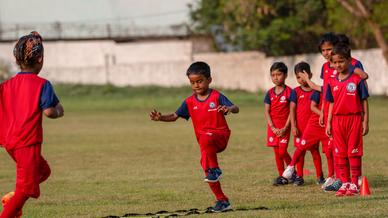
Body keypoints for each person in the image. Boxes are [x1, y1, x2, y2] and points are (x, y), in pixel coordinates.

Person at [149, 61, 239, 212]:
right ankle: (222, 200)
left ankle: (215, 169)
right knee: (206, 170)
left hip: (220, 136)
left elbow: (236, 108)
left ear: (209, 80)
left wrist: (228, 108)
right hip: (205, 144)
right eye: (192, 82)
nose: (196, 85)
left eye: (199, 81)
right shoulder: (189, 102)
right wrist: (161, 118)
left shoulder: (216, 96)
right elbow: (174, 116)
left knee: (207, 141)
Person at [0, 31, 64, 217]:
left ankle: (13, 201)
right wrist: (59, 111)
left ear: (17, 60)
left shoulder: (7, 85)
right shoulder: (42, 84)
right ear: (40, 59)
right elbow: (50, 111)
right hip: (27, 143)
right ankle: (11, 208)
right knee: (25, 189)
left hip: (10, 143)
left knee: (43, 171)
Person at [325, 43, 369, 196]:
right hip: (337, 121)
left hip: (354, 119)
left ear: (349, 61)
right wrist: (329, 122)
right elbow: (331, 103)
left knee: (353, 152)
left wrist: (365, 121)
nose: (338, 64)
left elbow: (364, 101)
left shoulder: (357, 80)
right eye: (335, 62)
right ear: (331, 63)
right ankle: (345, 183)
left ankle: (355, 183)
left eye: (341, 61)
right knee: (340, 153)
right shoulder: (332, 81)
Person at [286, 62, 324, 186]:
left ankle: (320, 176)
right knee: (300, 152)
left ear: (310, 75)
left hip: (313, 128)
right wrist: (294, 126)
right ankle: (299, 176)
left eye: (303, 76)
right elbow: (292, 109)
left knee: (315, 152)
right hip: (300, 128)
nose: (301, 80)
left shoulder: (317, 91)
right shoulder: (295, 92)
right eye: (298, 77)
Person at [264, 62, 293, 186]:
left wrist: (285, 127)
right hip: (273, 127)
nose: (275, 77)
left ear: (285, 75)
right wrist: (273, 127)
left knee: (282, 151)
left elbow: (292, 111)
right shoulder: (269, 93)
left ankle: (292, 169)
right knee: (277, 153)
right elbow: (267, 111)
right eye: (273, 75)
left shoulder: (290, 92)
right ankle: (282, 176)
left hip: (284, 126)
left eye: (278, 74)